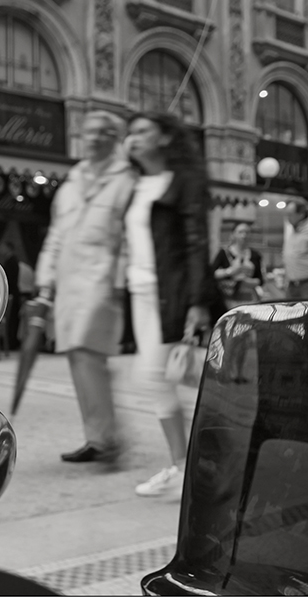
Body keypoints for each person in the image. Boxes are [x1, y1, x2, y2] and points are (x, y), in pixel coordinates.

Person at [123, 111, 223, 499]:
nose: (133, 138)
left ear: (164, 138)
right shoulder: (135, 184)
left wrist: (198, 301)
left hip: (173, 292)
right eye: (130, 132)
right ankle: (186, 468)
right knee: (160, 379)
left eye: (142, 131)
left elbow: (197, 244)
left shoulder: (182, 182)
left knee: (161, 376)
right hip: (140, 292)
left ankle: (195, 466)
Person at [34, 110, 136, 464]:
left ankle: (106, 438)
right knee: (79, 356)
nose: (93, 138)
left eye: (103, 132)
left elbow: (130, 235)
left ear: (114, 138)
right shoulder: (71, 184)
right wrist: (45, 280)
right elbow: (56, 236)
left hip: (101, 278)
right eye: (89, 131)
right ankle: (99, 436)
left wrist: (120, 280)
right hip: (68, 280)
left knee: (88, 351)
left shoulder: (127, 180)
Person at [211, 222, 264, 308]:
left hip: (249, 299)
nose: (244, 235)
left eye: (247, 232)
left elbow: (261, 280)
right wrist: (230, 271)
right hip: (227, 299)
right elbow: (212, 273)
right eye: (240, 232)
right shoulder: (224, 253)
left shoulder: (255, 255)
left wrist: (246, 281)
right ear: (233, 234)